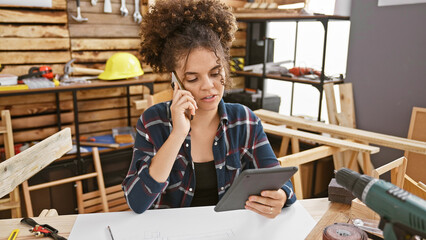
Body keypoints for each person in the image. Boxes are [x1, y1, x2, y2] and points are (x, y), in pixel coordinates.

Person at [122, 0, 296, 218]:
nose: (208, 86)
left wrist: (281, 195)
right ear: (175, 81)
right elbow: (137, 201)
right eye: (193, 78)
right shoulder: (152, 122)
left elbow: (281, 183)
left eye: (215, 73)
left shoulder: (245, 121)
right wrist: (177, 134)